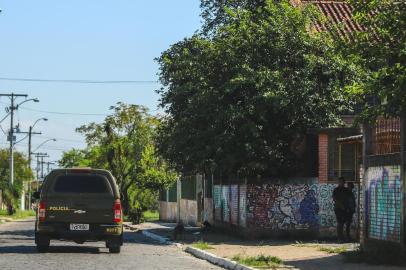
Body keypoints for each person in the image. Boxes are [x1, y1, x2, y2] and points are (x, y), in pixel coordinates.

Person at [332, 177, 348, 242]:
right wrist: (341, 205)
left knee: (343, 223)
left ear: (344, 183)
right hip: (338, 208)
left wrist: (346, 207)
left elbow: (348, 199)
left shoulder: (346, 190)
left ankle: (342, 237)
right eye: (340, 182)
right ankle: (339, 238)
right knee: (339, 223)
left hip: (345, 209)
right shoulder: (336, 190)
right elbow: (334, 199)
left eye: (342, 182)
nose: (341, 183)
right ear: (338, 182)